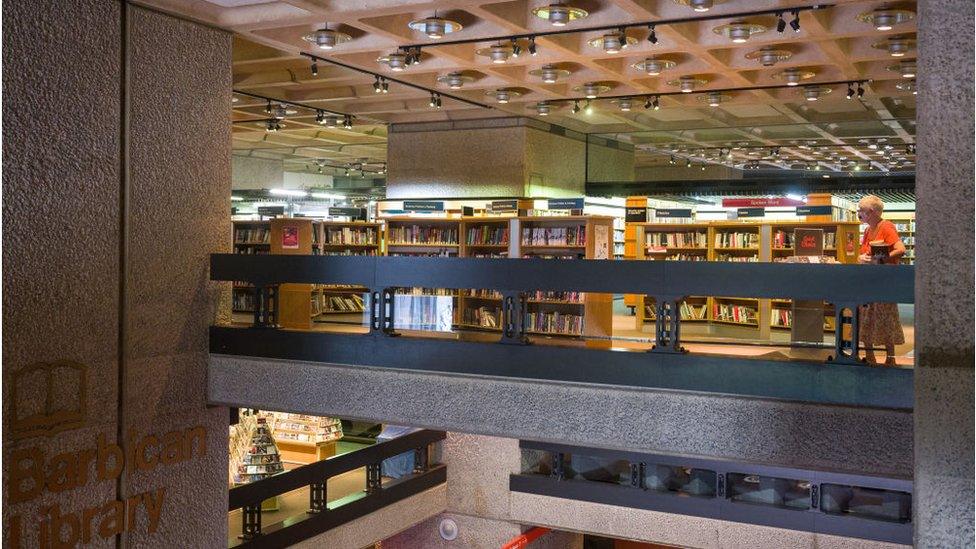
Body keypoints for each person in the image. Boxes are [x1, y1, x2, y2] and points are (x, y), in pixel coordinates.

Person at [856, 195, 906, 366]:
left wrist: (882, 260)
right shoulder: (867, 231)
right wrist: (861, 257)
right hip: (868, 280)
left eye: (861, 211)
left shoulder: (886, 226)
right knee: (866, 317)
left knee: (885, 316)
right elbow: (865, 253)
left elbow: (900, 249)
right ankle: (869, 356)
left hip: (884, 282)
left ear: (871, 212)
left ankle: (890, 357)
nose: (859, 214)